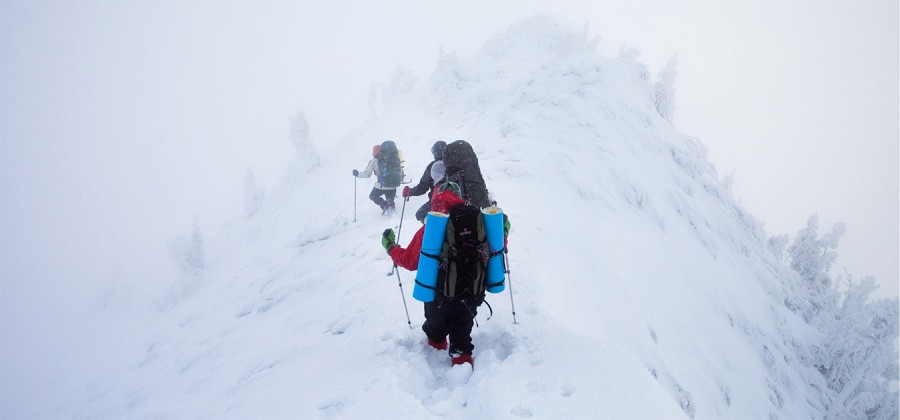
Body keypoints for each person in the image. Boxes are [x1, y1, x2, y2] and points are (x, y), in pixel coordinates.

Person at [381, 182, 510, 367]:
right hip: (471, 293)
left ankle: (435, 354)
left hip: (438, 297)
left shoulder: (434, 225)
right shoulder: (478, 220)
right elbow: (496, 248)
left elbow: (409, 261)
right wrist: (503, 231)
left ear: (435, 197)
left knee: (435, 331)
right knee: (462, 336)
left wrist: (390, 247)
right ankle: (463, 365)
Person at [402, 141, 447, 223]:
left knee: (420, 214)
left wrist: (410, 192)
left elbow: (422, 187)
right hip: (457, 199)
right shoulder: (455, 163)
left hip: (438, 200)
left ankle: (432, 228)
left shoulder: (433, 166)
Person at [353, 143, 398, 214]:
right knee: (390, 201)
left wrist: (357, 174)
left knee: (372, 196)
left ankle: (384, 204)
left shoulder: (374, 161)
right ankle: (392, 213)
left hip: (381, 186)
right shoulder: (392, 159)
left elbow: (367, 174)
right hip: (393, 186)